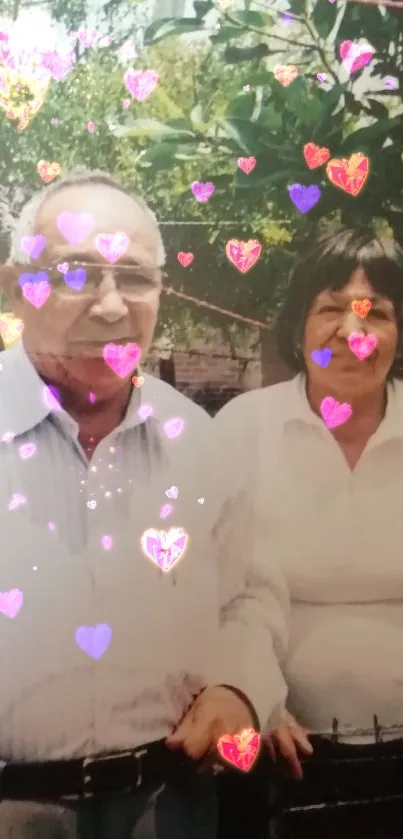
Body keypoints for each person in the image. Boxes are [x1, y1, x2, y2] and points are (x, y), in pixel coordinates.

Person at [0, 168, 288, 839]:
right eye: (76, 273)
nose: (109, 305)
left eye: (133, 277)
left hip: (168, 805)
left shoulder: (200, 442)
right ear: (18, 286)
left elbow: (247, 595)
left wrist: (235, 687)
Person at [211, 224, 403, 793]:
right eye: (331, 310)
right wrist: (252, 696)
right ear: (298, 327)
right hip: (279, 755)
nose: (354, 331)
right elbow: (214, 595)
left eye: (379, 314)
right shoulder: (243, 430)